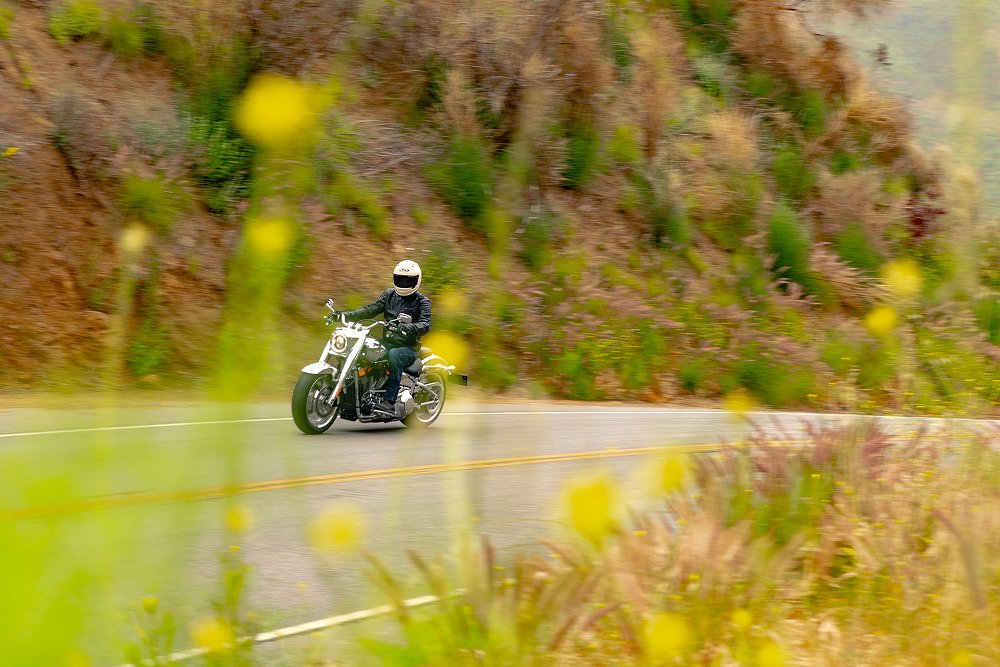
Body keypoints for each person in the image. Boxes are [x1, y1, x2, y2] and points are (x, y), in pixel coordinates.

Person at [330, 260, 431, 414]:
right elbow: (369, 310)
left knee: (394, 355)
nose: (403, 283)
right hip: (387, 341)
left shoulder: (422, 302)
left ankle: (389, 401)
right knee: (363, 350)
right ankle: (354, 394)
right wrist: (342, 315)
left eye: (408, 280)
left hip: (408, 348)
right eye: (400, 279)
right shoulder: (389, 294)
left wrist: (407, 327)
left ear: (416, 280)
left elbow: (425, 324)